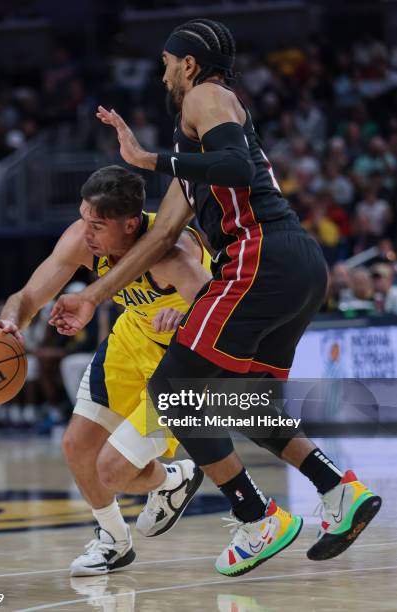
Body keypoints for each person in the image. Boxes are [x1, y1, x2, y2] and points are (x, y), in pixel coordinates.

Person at [50, 19, 381, 578]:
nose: (160, 73)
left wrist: (149, 160)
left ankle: (257, 519)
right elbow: (158, 239)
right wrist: (94, 296)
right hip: (295, 268)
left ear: (189, 64)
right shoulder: (194, 144)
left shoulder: (207, 97)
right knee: (239, 403)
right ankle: (339, 490)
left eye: (165, 62)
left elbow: (234, 166)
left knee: (175, 392)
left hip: (260, 259)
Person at [0, 165, 211, 575]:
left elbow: (225, 312)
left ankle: (172, 480)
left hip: (186, 363)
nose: (87, 232)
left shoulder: (175, 256)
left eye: (98, 225)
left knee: (114, 471)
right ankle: (115, 539)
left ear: (131, 224)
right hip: (130, 341)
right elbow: (27, 296)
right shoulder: (83, 239)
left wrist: (186, 319)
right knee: (76, 446)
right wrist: (10, 324)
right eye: (84, 217)